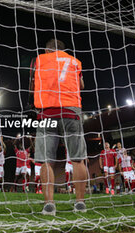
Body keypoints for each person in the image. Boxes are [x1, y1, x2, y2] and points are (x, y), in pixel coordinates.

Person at [32, 39, 88, 215]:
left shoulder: (40, 59)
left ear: (47, 49)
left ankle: (49, 204)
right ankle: (80, 203)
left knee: (46, 159)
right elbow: (81, 85)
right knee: (78, 159)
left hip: (47, 111)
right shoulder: (74, 61)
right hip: (71, 110)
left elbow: (33, 81)